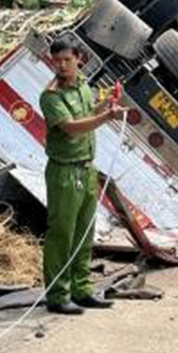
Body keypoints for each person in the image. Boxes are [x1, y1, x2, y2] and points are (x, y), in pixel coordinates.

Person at [39, 37, 126, 315]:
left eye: (67, 60)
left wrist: (108, 106)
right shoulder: (51, 96)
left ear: (79, 59)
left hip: (86, 168)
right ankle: (58, 295)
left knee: (84, 233)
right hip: (64, 171)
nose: (62, 66)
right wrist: (105, 119)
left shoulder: (84, 86)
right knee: (62, 234)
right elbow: (72, 128)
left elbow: (88, 113)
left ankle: (82, 289)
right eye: (57, 61)